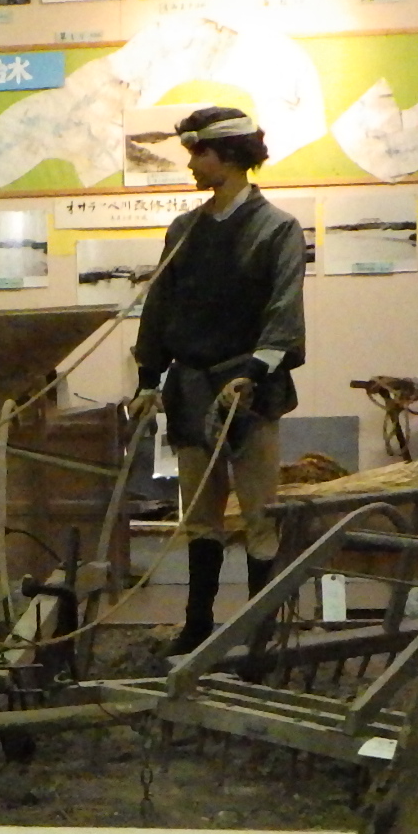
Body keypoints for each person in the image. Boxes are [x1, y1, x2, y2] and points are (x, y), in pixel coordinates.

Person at [127, 105, 308, 655]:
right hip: (192, 388)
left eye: (197, 154)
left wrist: (253, 373)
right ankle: (197, 627)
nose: (191, 166)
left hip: (249, 393)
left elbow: (284, 310)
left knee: (259, 517)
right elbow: (158, 308)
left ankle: (259, 634)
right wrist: (146, 378)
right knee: (201, 519)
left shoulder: (277, 229)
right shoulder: (184, 231)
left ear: (227, 157)